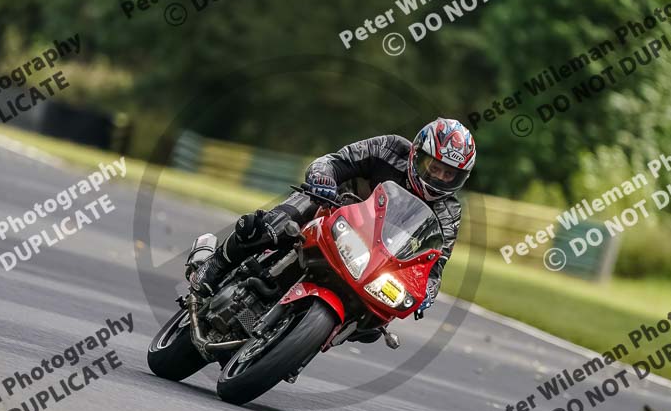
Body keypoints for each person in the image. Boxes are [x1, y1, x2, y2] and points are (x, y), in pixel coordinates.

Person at [190, 117, 476, 325]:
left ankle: (299, 334)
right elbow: (334, 161)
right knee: (273, 226)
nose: (439, 177)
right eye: (434, 167)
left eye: (449, 174)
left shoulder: (448, 212)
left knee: (374, 323)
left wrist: (426, 293)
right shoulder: (390, 149)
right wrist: (323, 178)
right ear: (418, 154)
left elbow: (434, 265)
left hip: (374, 257)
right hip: (332, 210)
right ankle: (215, 265)